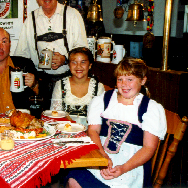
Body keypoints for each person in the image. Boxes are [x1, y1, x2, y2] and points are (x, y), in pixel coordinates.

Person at [66, 57, 167, 188]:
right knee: (73, 181)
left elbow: (149, 148)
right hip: (100, 154)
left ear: (143, 80)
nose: (124, 84)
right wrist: (102, 158)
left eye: (130, 79)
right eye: (120, 79)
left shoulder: (151, 108)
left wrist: (123, 168)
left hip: (131, 165)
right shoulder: (104, 100)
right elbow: (93, 130)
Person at [14, 0, 88, 109]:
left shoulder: (72, 15)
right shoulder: (31, 19)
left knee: (65, 120)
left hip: (69, 80)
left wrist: (65, 59)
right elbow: (21, 55)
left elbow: (83, 51)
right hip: (41, 83)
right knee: (41, 120)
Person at [51, 47, 105, 123]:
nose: (78, 66)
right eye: (74, 62)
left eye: (83, 62)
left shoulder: (98, 87)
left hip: (89, 132)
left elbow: (99, 118)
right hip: (65, 130)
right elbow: (55, 115)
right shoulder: (60, 85)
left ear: (90, 65)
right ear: (69, 66)